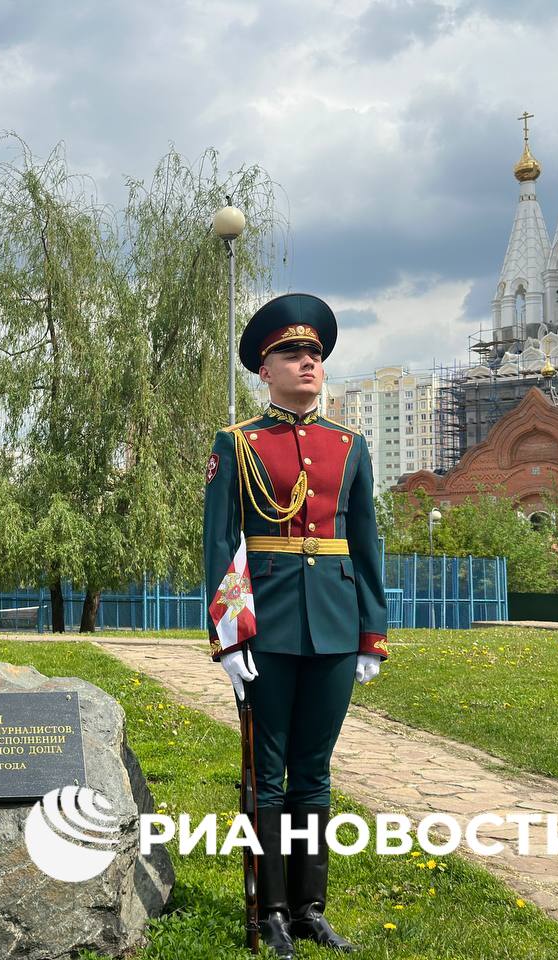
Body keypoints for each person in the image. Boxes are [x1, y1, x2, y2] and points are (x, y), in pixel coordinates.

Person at [203, 293, 388, 958]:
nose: (307, 362)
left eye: (314, 354)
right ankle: (271, 912)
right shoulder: (240, 444)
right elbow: (223, 545)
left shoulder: (351, 446)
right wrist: (229, 635)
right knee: (269, 776)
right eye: (292, 353)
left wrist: (372, 633)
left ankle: (311, 909)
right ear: (264, 369)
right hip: (269, 629)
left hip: (337, 626)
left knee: (315, 772)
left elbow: (365, 544)